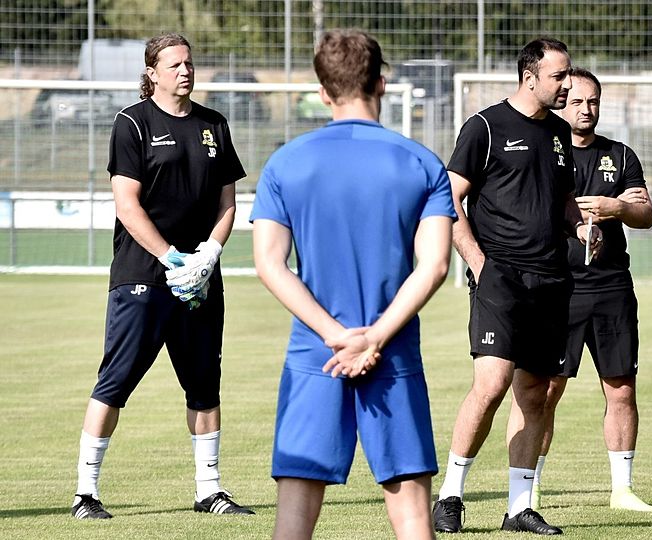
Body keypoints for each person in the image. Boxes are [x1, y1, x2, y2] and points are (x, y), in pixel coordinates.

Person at [251, 29, 455, 540]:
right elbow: (433, 267)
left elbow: (271, 266)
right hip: (396, 351)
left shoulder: (285, 163)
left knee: (293, 520)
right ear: (382, 83)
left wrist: (337, 336)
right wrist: (373, 337)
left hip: (314, 353)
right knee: (411, 516)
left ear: (322, 91)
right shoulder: (422, 163)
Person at [71, 33, 251, 519]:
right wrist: (174, 259)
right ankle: (85, 493)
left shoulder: (214, 124)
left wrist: (208, 254)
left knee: (204, 385)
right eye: (174, 65)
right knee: (115, 381)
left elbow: (227, 204)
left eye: (189, 63)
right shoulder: (132, 122)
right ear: (152, 72)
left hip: (200, 282)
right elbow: (126, 205)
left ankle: (209, 490)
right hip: (143, 277)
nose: (185, 72)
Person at [431, 37, 601, 536]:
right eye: (559, 76)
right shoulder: (485, 127)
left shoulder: (557, 133)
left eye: (568, 75)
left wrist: (581, 228)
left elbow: (565, 201)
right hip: (499, 277)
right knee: (490, 386)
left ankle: (519, 507)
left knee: (536, 392)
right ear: (531, 76)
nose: (568, 84)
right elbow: (449, 199)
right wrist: (481, 265)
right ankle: (451, 496)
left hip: (552, 280)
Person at [514, 67, 652, 513]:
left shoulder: (619, 154)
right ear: (561, 99)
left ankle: (622, 489)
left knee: (621, 389)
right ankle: (530, 487)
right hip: (557, 287)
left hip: (611, 285)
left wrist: (618, 207)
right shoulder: (546, 150)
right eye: (577, 101)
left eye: (593, 101)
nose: (586, 109)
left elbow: (645, 213)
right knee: (547, 389)